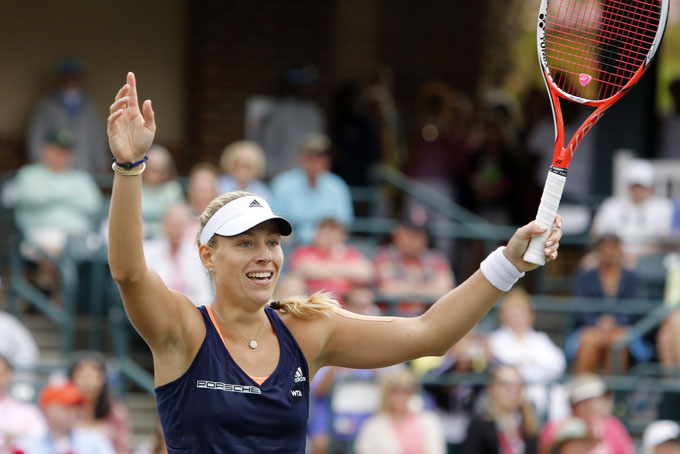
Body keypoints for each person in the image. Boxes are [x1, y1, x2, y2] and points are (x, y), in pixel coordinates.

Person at [105, 72, 561, 453]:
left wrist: (509, 262)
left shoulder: (307, 331)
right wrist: (130, 168)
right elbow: (128, 272)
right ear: (207, 255)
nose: (264, 254)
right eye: (245, 244)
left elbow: (430, 334)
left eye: (272, 242)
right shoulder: (184, 330)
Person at [14, 130, 104, 258]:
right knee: (50, 248)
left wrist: (52, 195)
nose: (61, 155)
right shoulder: (29, 174)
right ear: (44, 151)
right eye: (56, 150)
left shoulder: (81, 178)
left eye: (66, 152)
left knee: (104, 248)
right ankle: (54, 276)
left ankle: (65, 276)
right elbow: (27, 198)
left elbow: (94, 205)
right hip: (41, 231)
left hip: (79, 234)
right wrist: (68, 195)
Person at [571, 234, 650, 374]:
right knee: (589, 341)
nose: (609, 252)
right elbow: (580, 306)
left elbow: (635, 306)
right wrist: (598, 323)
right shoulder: (585, 276)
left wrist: (615, 323)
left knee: (619, 341)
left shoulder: (632, 277)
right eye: (605, 248)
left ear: (620, 251)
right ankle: (583, 392)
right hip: (590, 328)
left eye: (613, 247)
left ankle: (612, 394)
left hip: (622, 329)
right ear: (598, 251)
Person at [488, 288, 566, 418]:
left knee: (559, 395)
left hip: (543, 391)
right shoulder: (496, 340)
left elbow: (558, 365)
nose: (517, 318)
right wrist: (534, 364)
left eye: (521, 313)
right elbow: (505, 366)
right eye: (512, 313)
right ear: (503, 316)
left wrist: (524, 365)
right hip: (512, 393)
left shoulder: (540, 339)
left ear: (530, 315)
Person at [26, 57, 109, 173]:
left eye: (74, 77)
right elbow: (36, 136)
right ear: (59, 79)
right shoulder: (46, 105)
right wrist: (38, 163)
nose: (71, 81)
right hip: (52, 169)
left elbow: (97, 138)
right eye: (67, 78)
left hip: (84, 166)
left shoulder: (90, 107)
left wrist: (101, 163)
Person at [270, 133, 354, 245]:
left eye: (320, 157)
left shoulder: (337, 186)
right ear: (301, 158)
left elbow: (344, 224)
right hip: (291, 246)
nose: (315, 162)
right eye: (310, 157)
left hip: (328, 247)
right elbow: (275, 222)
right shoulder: (282, 184)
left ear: (328, 161)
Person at [373, 215, 455, 314]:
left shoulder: (435, 259)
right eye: (411, 234)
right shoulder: (385, 256)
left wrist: (405, 288)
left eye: (421, 235)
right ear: (398, 234)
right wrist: (427, 288)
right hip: (393, 321)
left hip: (429, 321)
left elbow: (445, 290)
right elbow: (388, 290)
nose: (417, 240)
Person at [591, 158, 673, 258]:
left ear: (651, 187)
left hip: (649, 258)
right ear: (629, 186)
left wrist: (634, 255)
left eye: (642, 186)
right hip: (612, 256)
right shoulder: (612, 205)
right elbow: (596, 233)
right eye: (635, 185)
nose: (639, 190)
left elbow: (664, 242)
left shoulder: (663, 207)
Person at [354, 368, 446, 454]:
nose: (400, 397)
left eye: (405, 391)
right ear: (386, 394)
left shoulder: (428, 421)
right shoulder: (373, 426)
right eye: (395, 391)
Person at [538, 374, 634, 454]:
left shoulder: (613, 426)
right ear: (574, 404)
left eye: (595, 399)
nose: (592, 405)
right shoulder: (556, 427)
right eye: (585, 400)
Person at [11, 381, 114, 454]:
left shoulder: (95, 442)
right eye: (67, 407)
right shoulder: (25, 445)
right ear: (48, 409)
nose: (74, 412)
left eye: (76, 407)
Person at [288, 217, 374, 302]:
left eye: (333, 233)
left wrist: (323, 269)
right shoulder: (303, 251)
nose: (328, 238)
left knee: (362, 295)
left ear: (342, 236)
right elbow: (303, 269)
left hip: (345, 302)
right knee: (293, 286)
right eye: (325, 233)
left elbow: (367, 273)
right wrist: (345, 272)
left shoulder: (349, 252)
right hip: (311, 300)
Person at [143, 205, 214, 307]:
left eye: (181, 225)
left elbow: (204, 295)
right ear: (164, 225)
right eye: (173, 225)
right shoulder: (148, 252)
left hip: (190, 312)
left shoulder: (196, 254)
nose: (177, 230)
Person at [461, 365, 539, 454]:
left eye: (517, 385)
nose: (513, 391)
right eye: (505, 385)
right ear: (491, 388)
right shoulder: (480, 425)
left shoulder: (529, 424)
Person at [68, 352, 131, 454]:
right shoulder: (64, 412)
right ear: (72, 379)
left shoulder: (116, 414)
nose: (89, 383)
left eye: (94, 376)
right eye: (83, 376)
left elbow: (123, 449)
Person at [0, 355, 46, 453]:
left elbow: (40, 441)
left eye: (1, 373)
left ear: (9, 375)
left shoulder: (29, 412)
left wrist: (14, 438)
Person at [140, 145, 184, 239]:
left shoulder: (172, 189)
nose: (154, 174)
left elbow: (176, 219)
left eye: (158, 170)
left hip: (165, 239)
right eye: (151, 169)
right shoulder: (136, 187)